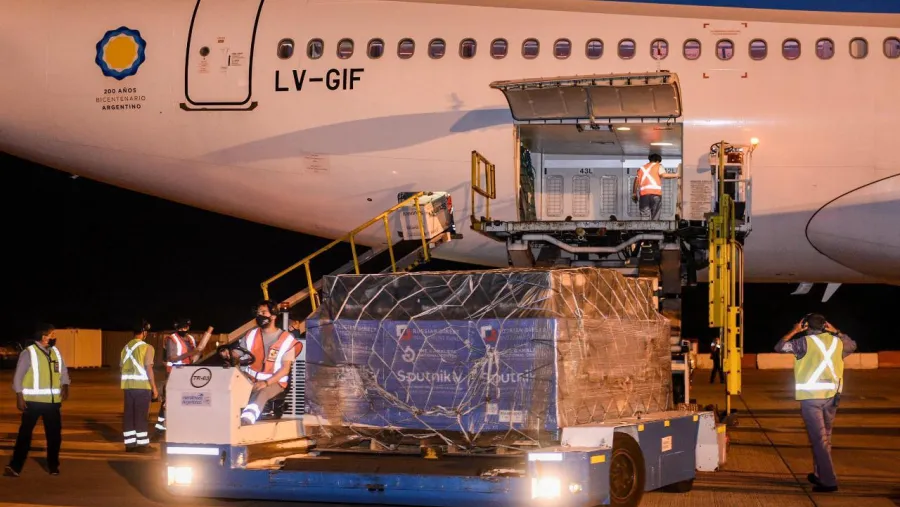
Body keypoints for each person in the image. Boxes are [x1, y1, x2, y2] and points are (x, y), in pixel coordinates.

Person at [775, 313, 856, 493]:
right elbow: (853, 345)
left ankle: (828, 481)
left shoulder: (803, 343)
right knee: (825, 437)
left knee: (819, 440)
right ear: (825, 325)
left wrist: (794, 331)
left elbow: (779, 347)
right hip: (832, 397)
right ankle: (820, 474)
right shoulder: (837, 342)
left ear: (805, 326)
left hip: (812, 398)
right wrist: (837, 331)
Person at [5, 323, 69, 477]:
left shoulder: (56, 352)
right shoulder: (29, 353)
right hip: (32, 402)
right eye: (52, 334)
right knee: (25, 435)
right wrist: (19, 396)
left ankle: (53, 465)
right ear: (43, 337)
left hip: (52, 403)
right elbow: (18, 376)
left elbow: (63, 370)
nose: (54, 337)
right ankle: (15, 467)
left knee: (54, 436)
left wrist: (66, 384)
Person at [225, 300, 301, 425]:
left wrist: (266, 383)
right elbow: (237, 353)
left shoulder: (287, 339)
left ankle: (246, 420)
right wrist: (229, 355)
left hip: (275, 382)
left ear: (273, 315)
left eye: (263, 312)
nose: (259, 315)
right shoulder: (251, 334)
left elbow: (285, 369)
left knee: (261, 393)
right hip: (249, 379)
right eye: (258, 312)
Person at [156, 318, 212, 434]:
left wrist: (198, 355)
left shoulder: (190, 339)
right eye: (182, 328)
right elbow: (172, 358)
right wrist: (191, 353)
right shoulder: (172, 339)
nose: (184, 329)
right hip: (174, 373)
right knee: (169, 401)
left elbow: (194, 356)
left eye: (186, 327)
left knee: (184, 400)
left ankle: (179, 424)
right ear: (177, 328)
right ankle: (160, 427)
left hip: (187, 373)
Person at [120, 319, 158, 453]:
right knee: (141, 417)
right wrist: (154, 387)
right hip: (142, 387)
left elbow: (121, 367)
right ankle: (142, 445)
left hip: (128, 386)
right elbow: (148, 368)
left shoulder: (125, 348)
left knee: (129, 416)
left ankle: (130, 445)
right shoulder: (147, 347)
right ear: (144, 332)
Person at [631, 154, 679, 220]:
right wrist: (676, 175)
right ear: (657, 161)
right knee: (655, 215)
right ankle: (655, 230)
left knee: (644, 216)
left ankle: (645, 229)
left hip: (644, 195)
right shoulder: (658, 166)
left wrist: (634, 193)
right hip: (656, 195)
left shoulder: (641, 168)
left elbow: (636, 181)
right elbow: (664, 175)